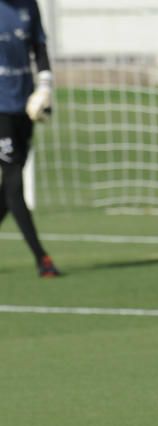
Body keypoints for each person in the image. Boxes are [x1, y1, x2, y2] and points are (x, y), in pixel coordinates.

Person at [0, 0, 59, 277]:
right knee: (13, 185)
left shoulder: (29, 5)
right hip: (0, 110)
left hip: (24, 104)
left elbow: (40, 47)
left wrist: (45, 87)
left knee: (8, 191)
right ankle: (42, 258)